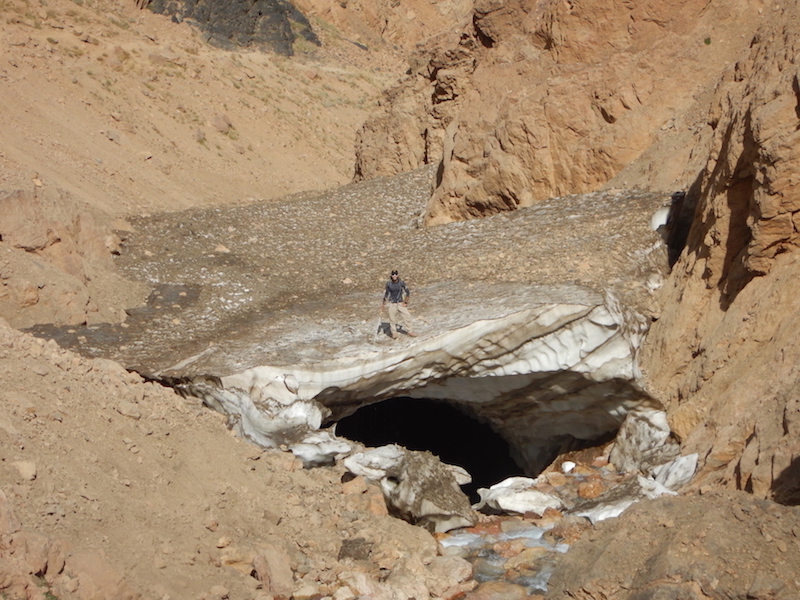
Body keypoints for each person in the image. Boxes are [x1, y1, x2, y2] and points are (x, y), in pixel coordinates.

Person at [382, 270, 417, 338]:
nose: (394, 276)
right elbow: (386, 293)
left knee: (407, 316)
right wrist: (383, 303)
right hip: (392, 303)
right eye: (393, 275)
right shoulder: (389, 284)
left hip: (400, 302)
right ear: (391, 276)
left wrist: (406, 302)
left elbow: (407, 292)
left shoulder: (401, 283)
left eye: (395, 275)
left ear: (397, 275)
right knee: (392, 318)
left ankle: (410, 331)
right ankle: (394, 333)